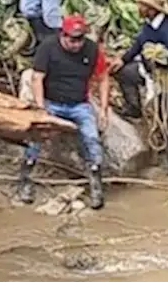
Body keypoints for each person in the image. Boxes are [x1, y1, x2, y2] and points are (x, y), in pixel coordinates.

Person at [18, 14, 111, 209]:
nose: (76, 44)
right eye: (72, 39)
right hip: (52, 102)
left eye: (80, 39)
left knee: (91, 137)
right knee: (35, 136)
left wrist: (103, 109)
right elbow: (37, 78)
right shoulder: (48, 47)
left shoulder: (92, 49)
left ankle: (95, 182)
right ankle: (25, 179)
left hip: (79, 104)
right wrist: (41, 108)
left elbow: (103, 78)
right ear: (62, 34)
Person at [110, 0, 168, 174]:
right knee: (123, 73)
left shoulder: (167, 30)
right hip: (146, 71)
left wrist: (163, 61)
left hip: (162, 78)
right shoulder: (148, 25)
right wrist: (122, 60)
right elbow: (138, 45)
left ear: (150, 9)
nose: (138, 8)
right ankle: (133, 107)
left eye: (141, 5)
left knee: (167, 119)